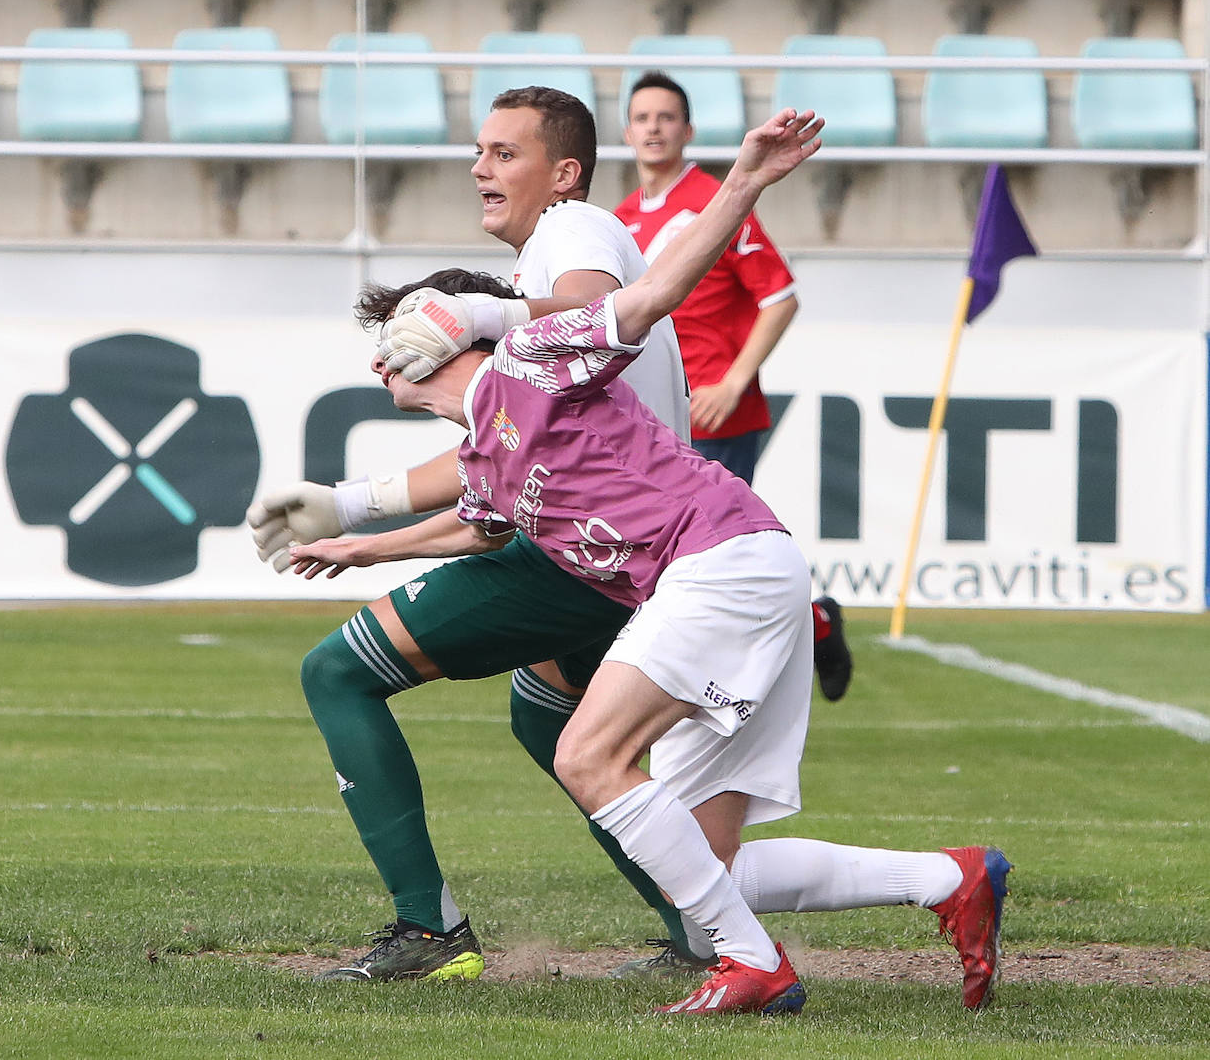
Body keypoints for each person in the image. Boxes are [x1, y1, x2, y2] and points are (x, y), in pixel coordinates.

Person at [289, 108, 1011, 1016]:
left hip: (721, 562)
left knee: (585, 754)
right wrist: (355, 542)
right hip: (744, 569)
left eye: (391, 334)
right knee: (707, 863)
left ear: (441, 336)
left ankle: (754, 967)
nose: (376, 357)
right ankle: (949, 877)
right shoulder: (485, 447)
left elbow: (653, 291)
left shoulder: (531, 352)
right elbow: (475, 527)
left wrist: (744, 180)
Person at [249, 87, 711, 981]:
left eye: (503, 152)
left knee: (336, 673)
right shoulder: (555, 260)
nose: (479, 168)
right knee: (551, 727)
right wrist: (350, 510)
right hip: (631, 555)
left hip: (590, 556)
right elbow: (493, 473)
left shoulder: (571, 231)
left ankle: (428, 930)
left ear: (564, 172)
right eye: (479, 150)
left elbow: (594, 311)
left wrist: (482, 316)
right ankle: (700, 928)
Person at [616, 71, 852, 705]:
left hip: (716, 413)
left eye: (666, 117)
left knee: (710, 560)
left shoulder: (714, 202)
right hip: (649, 420)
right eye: (643, 117)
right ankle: (801, 629)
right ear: (626, 131)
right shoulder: (616, 222)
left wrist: (732, 380)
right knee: (661, 560)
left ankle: (721, 682)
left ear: (687, 131)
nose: (654, 127)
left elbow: (779, 297)